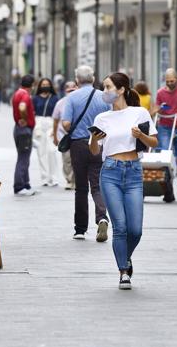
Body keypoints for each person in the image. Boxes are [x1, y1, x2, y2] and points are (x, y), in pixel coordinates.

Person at [89, 72, 158, 290]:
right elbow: (94, 152)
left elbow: (153, 142)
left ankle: (125, 256)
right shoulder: (102, 118)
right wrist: (93, 139)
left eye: (108, 87)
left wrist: (141, 137)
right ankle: (123, 272)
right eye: (103, 87)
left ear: (121, 90)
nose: (104, 91)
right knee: (120, 226)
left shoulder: (139, 113)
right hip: (110, 172)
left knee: (135, 229)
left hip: (134, 173)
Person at [61, 65, 110, 241]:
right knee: (97, 185)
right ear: (93, 78)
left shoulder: (72, 97)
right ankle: (102, 217)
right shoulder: (103, 97)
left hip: (79, 145)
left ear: (76, 80)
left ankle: (80, 229)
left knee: (81, 187)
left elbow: (66, 124)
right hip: (99, 143)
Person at [154, 68, 177, 201]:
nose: (170, 83)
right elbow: (154, 110)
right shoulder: (160, 92)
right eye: (167, 81)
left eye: (172, 81)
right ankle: (168, 188)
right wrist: (160, 108)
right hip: (165, 126)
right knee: (165, 157)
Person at [12, 75, 37, 196]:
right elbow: (22, 107)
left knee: (24, 157)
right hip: (24, 129)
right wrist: (25, 118)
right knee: (23, 158)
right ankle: (19, 186)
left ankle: (26, 184)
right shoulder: (25, 95)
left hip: (19, 129)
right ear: (32, 85)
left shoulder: (18, 92)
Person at [32, 78, 60, 187]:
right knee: (41, 152)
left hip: (51, 122)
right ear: (39, 86)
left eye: (47, 84)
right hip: (38, 122)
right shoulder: (35, 98)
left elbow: (58, 114)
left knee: (51, 151)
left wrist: (56, 129)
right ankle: (44, 178)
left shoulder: (55, 98)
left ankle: (54, 178)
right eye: (43, 84)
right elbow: (32, 112)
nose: (45, 86)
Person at [53, 81, 78, 190]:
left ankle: (77, 180)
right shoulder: (60, 103)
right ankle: (69, 180)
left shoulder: (81, 102)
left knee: (78, 159)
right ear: (65, 91)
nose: (71, 90)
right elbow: (55, 120)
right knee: (67, 159)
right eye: (68, 88)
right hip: (64, 136)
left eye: (73, 88)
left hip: (79, 135)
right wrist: (54, 136)